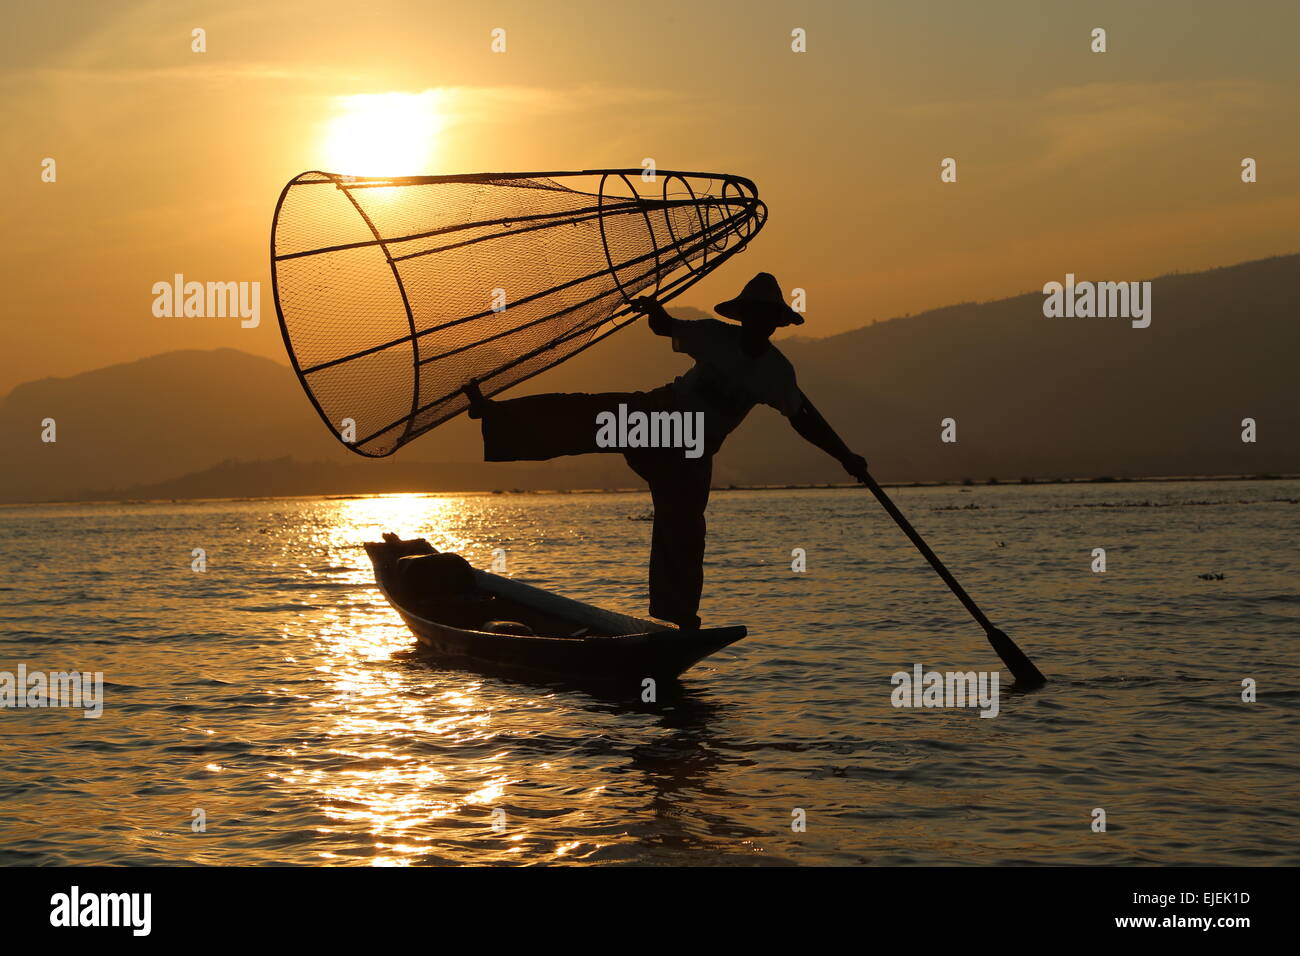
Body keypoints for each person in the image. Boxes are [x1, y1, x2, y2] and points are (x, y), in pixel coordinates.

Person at [464, 272, 868, 630]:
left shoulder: (777, 373)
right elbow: (666, 328)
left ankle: (680, 615)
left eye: (767, 317)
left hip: (693, 448)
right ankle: (494, 415)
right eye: (753, 315)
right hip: (661, 415)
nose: (758, 323)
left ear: (776, 322)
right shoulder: (714, 335)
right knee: (584, 413)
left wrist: (845, 457)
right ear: (742, 316)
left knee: (685, 527)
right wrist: (654, 310)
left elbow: (803, 420)